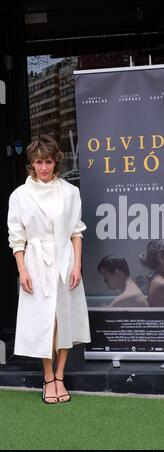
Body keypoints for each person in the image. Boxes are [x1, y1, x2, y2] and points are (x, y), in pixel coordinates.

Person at [7, 135, 91, 404]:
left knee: (64, 319)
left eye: (48, 161)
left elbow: (76, 231)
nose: (44, 167)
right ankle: (47, 377)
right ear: (32, 163)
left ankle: (60, 375)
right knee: (46, 321)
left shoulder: (70, 192)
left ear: (57, 162)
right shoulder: (20, 195)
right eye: (38, 162)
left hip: (65, 259)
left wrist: (77, 264)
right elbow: (16, 238)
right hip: (36, 260)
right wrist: (22, 270)